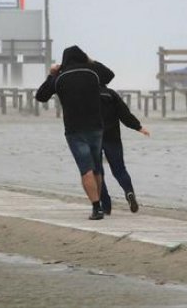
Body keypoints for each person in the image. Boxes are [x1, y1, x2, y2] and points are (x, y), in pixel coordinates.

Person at [35, 45, 114, 220]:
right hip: (96, 127)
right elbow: (110, 75)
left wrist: (52, 74)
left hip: (74, 130)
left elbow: (41, 96)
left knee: (85, 170)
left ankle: (96, 208)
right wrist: (91, 61)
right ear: (83, 57)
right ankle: (99, 204)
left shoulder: (61, 77)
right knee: (97, 169)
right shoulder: (92, 72)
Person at [98, 86, 150, 215]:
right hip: (112, 137)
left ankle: (106, 205)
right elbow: (124, 114)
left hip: (93, 137)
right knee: (120, 169)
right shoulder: (111, 94)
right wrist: (138, 127)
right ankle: (129, 191)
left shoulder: (86, 94)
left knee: (97, 172)